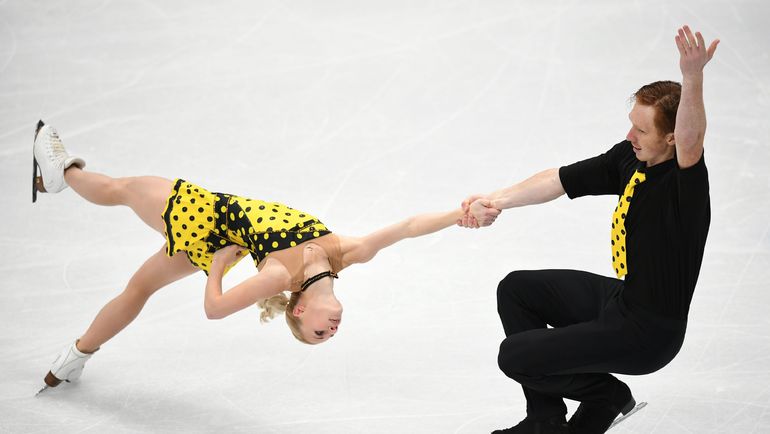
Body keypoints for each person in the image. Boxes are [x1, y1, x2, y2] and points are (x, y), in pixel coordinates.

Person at [32, 121, 464, 392]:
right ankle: (74, 358)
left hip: (202, 214)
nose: (330, 332)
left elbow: (215, 309)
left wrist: (218, 265)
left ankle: (63, 174)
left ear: (298, 309)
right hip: (215, 232)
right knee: (140, 287)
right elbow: (407, 228)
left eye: (316, 334)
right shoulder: (347, 254)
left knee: (122, 190)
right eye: (326, 336)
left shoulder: (279, 276)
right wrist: (459, 215)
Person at [459, 25, 719, 434]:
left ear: (670, 138)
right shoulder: (631, 159)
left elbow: (693, 138)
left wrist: (693, 78)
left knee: (514, 356)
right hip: (624, 300)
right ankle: (545, 418)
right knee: (517, 290)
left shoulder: (682, 186)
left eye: (642, 130)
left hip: (649, 332)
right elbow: (559, 179)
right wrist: (496, 201)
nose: (630, 135)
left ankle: (605, 396)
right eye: (631, 124)